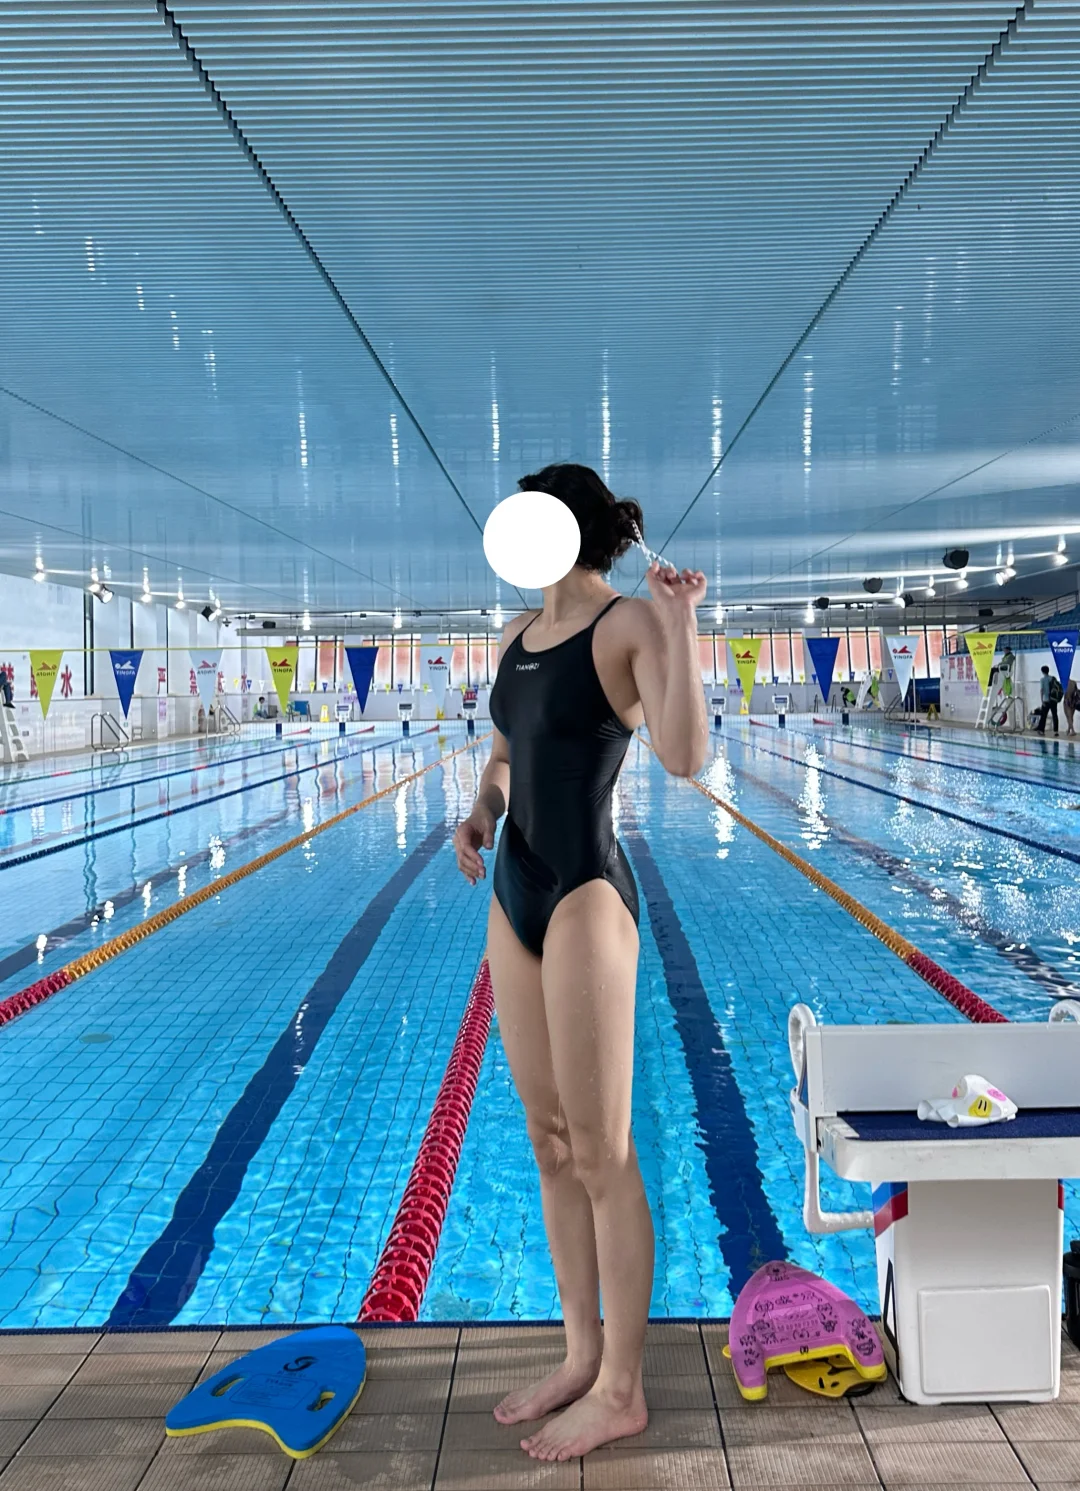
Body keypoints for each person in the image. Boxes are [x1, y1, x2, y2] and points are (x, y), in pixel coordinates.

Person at [453, 463, 708, 1462]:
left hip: (586, 897)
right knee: (550, 1141)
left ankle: (622, 1390)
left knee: (603, 1152)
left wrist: (680, 626)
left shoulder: (626, 625)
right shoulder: (514, 637)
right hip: (512, 888)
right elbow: (506, 754)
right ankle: (579, 1354)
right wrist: (481, 810)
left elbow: (684, 755)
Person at [1036, 665, 1061, 735]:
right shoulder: (1053, 678)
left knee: (1043, 716)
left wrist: (1042, 701)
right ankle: (1056, 731)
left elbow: (1041, 690)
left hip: (1046, 700)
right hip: (1053, 700)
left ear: (1042, 672)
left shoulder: (1042, 680)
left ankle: (1041, 730)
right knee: (1055, 715)